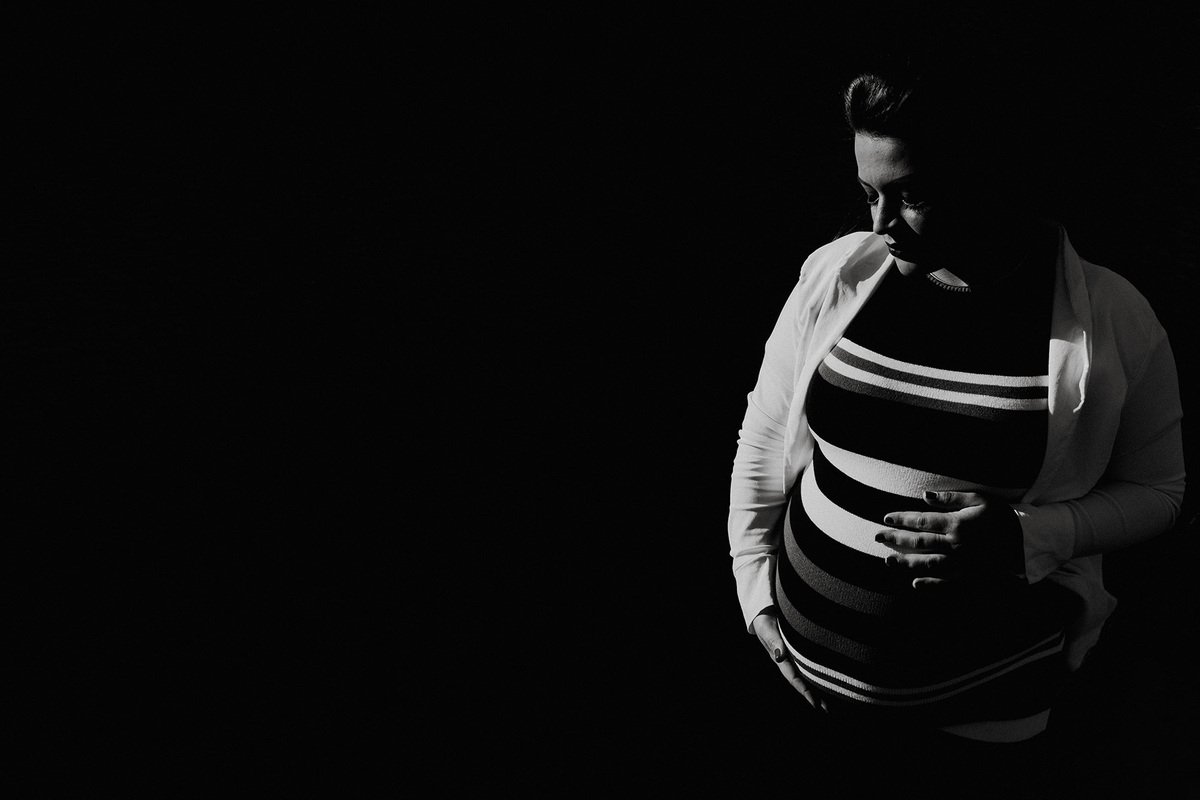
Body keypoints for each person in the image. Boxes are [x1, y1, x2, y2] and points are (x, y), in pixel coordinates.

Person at [727, 56, 1186, 791]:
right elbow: (763, 437)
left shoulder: (1111, 318)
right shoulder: (837, 275)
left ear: (989, 175)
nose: (881, 224)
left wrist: (1028, 537)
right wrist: (755, 593)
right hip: (807, 695)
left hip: (984, 713)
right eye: (869, 194)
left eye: (910, 195)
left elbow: (1161, 492)